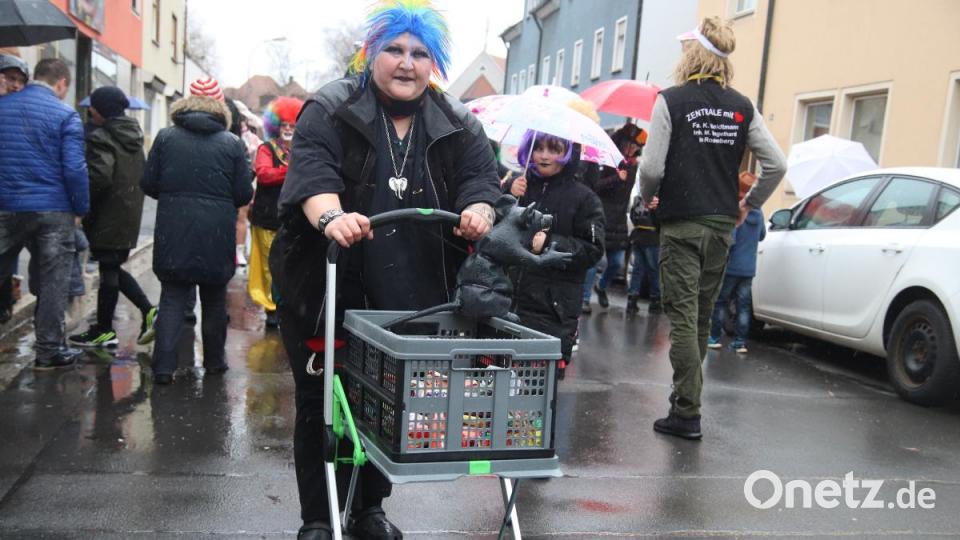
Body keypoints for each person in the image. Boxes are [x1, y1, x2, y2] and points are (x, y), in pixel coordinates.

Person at [269, 2, 500, 538]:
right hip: (326, 287)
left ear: (433, 63)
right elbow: (312, 176)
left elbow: (480, 182)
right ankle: (318, 517)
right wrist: (331, 216)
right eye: (394, 49)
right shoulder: (330, 107)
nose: (406, 63)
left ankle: (369, 509)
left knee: (387, 398)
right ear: (372, 53)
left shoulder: (458, 122)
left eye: (419, 53)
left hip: (409, 289)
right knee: (321, 403)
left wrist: (480, 211)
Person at [639, 17, 786, 440]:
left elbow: (650, 167)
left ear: (692, 55)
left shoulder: (672, 100)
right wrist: (747, 205)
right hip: (723, 227)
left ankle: (687, 411)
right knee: (701, 318)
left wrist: (650, 194)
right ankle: (682, 401)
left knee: (683, 319)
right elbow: (776, 164)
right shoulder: (742, 106)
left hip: (682, 223)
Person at [141, 77, 253, 385]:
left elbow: (148, 184)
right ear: (219, 107)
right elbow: (243, 194)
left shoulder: (165, 138)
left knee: (172, 299)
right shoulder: (232, 144)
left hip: (173, 232)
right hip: (216, 234)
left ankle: (163, 368)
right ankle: (215, 362)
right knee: (215, 300)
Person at [0, 59, 89, 370]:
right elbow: (75, 169)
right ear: (61, 83)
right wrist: (80, 207)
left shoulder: (3, 106)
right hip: (53, 209)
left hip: (6, 204)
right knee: (53, 280)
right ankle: (49, 352)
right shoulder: (66, 114)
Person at [504, 131, 605, 379]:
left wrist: (550, 243)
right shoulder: (519, 187)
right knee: (495, 388)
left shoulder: (584, 198)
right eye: (538, 148)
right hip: (506, 303)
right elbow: (497, 232)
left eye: (554, 149)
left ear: (567, 153)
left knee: (537, 391)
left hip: (552, 309)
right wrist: (507, 194)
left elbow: (592, 249)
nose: (544, 156)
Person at [68, 86, 157, 348]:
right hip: (127, 212)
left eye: (92, 107)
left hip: (107, 213)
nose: (90, 111)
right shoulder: (133, 135)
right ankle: (130, 318)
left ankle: (109, 328)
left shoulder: (102, 137)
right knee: (112, 268)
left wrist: (82, 205)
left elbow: (99, 178)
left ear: (100, 110)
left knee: (109, 269)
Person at [248, 96, 303, 329]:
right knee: (270, 265)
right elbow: (263, 174)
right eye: (284, 125)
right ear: (276, 127)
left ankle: (287, 305)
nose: (288, 130)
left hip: (293, 218)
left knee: (291, 264)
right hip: (268, 216)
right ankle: (271, 308)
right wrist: (292, 171)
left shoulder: (301, 150)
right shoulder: (266, 149)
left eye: (292, 125)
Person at [583, 124, 644, 313]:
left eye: (636, 146)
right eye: (631, 144)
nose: (633, 149)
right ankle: (584, 298)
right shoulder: (607, 159)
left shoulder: (633, 165)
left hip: (618, 221)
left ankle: (600, 287)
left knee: (617, 262)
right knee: (594, 261)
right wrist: (616, 179)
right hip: (601, 216)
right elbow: (594, 186)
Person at [708, 172, 765, 353]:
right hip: (749, 268)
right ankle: (740, 342)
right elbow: (762, 235)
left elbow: (730, 240)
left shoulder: (737, 210)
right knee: (744, 305)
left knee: (720, 301)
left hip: (731, 266)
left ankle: (714, 337)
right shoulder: (759, 212)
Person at [0, 54, 30, 325]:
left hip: (12, 198)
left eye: (21, 81)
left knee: (7, 256)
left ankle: (5, 303)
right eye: (10, 78)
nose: (16, 85)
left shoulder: (21, 113)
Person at [627, 192, 661, 314]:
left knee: (637, 270)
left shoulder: (639, 198)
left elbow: (633, 216)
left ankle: (632, 299)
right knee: (653, 271)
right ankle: (655, 301)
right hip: (652, 238)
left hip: (638, 237)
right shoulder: (657, 198)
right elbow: (660, 220)